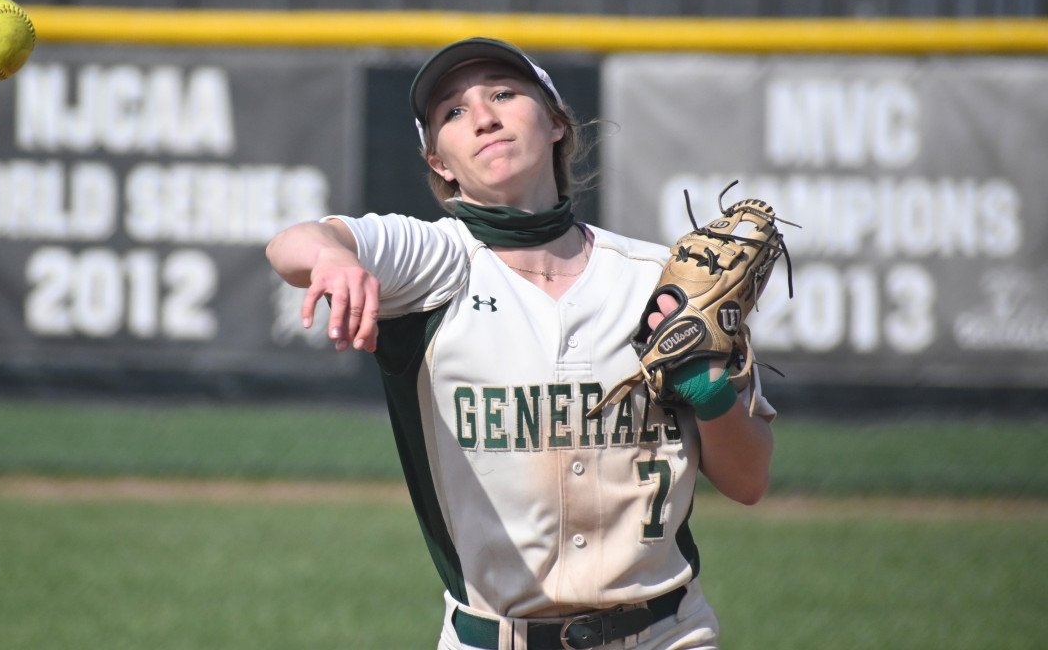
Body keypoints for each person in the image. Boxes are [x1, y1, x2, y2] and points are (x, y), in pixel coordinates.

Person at [265, 37, 776, 650]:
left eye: (504, 94)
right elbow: (294, 242)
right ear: (440, 164)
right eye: (452, 112)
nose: (483, 116)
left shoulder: (661, 282)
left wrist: (704, 384)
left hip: (669, 635)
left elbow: (749, 481)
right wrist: (333, 259)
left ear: (556, 122)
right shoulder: (436, 264)